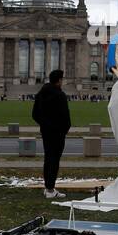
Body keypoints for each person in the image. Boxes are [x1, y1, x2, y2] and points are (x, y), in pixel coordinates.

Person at [32, 69, 71, 199]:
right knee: (54, 161)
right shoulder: (60, 95)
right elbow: (66, 118)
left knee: (48, 159)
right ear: (59, 80)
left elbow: (34, 114)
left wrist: (44, 125)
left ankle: (48, 187)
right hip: (58, 134)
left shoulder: (41, 94)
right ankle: (50, 190)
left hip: (46, 132)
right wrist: (63, 130)